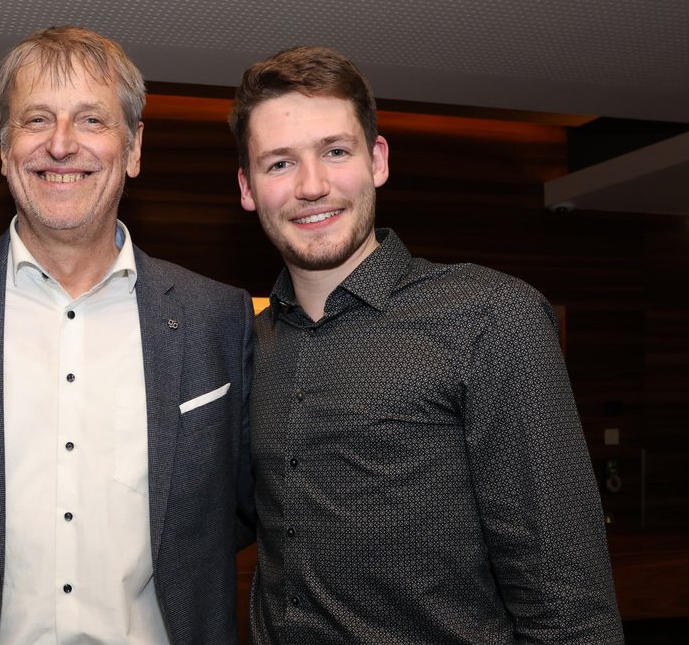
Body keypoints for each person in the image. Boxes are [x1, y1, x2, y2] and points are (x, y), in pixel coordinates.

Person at [0, 26, 255, 644]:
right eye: (36, 119)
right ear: (4, 149)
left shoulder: (219, 318)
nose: (61, 144)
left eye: (92, 120)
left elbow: (236, 514)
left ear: (133, 148)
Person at [229, 45, 623, 642]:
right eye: (280, 163)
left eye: (335, 152)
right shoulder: (255, 341)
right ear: (248, 187)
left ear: (377, 160)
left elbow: (568, 599)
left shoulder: (489, 317)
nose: (312, 186)